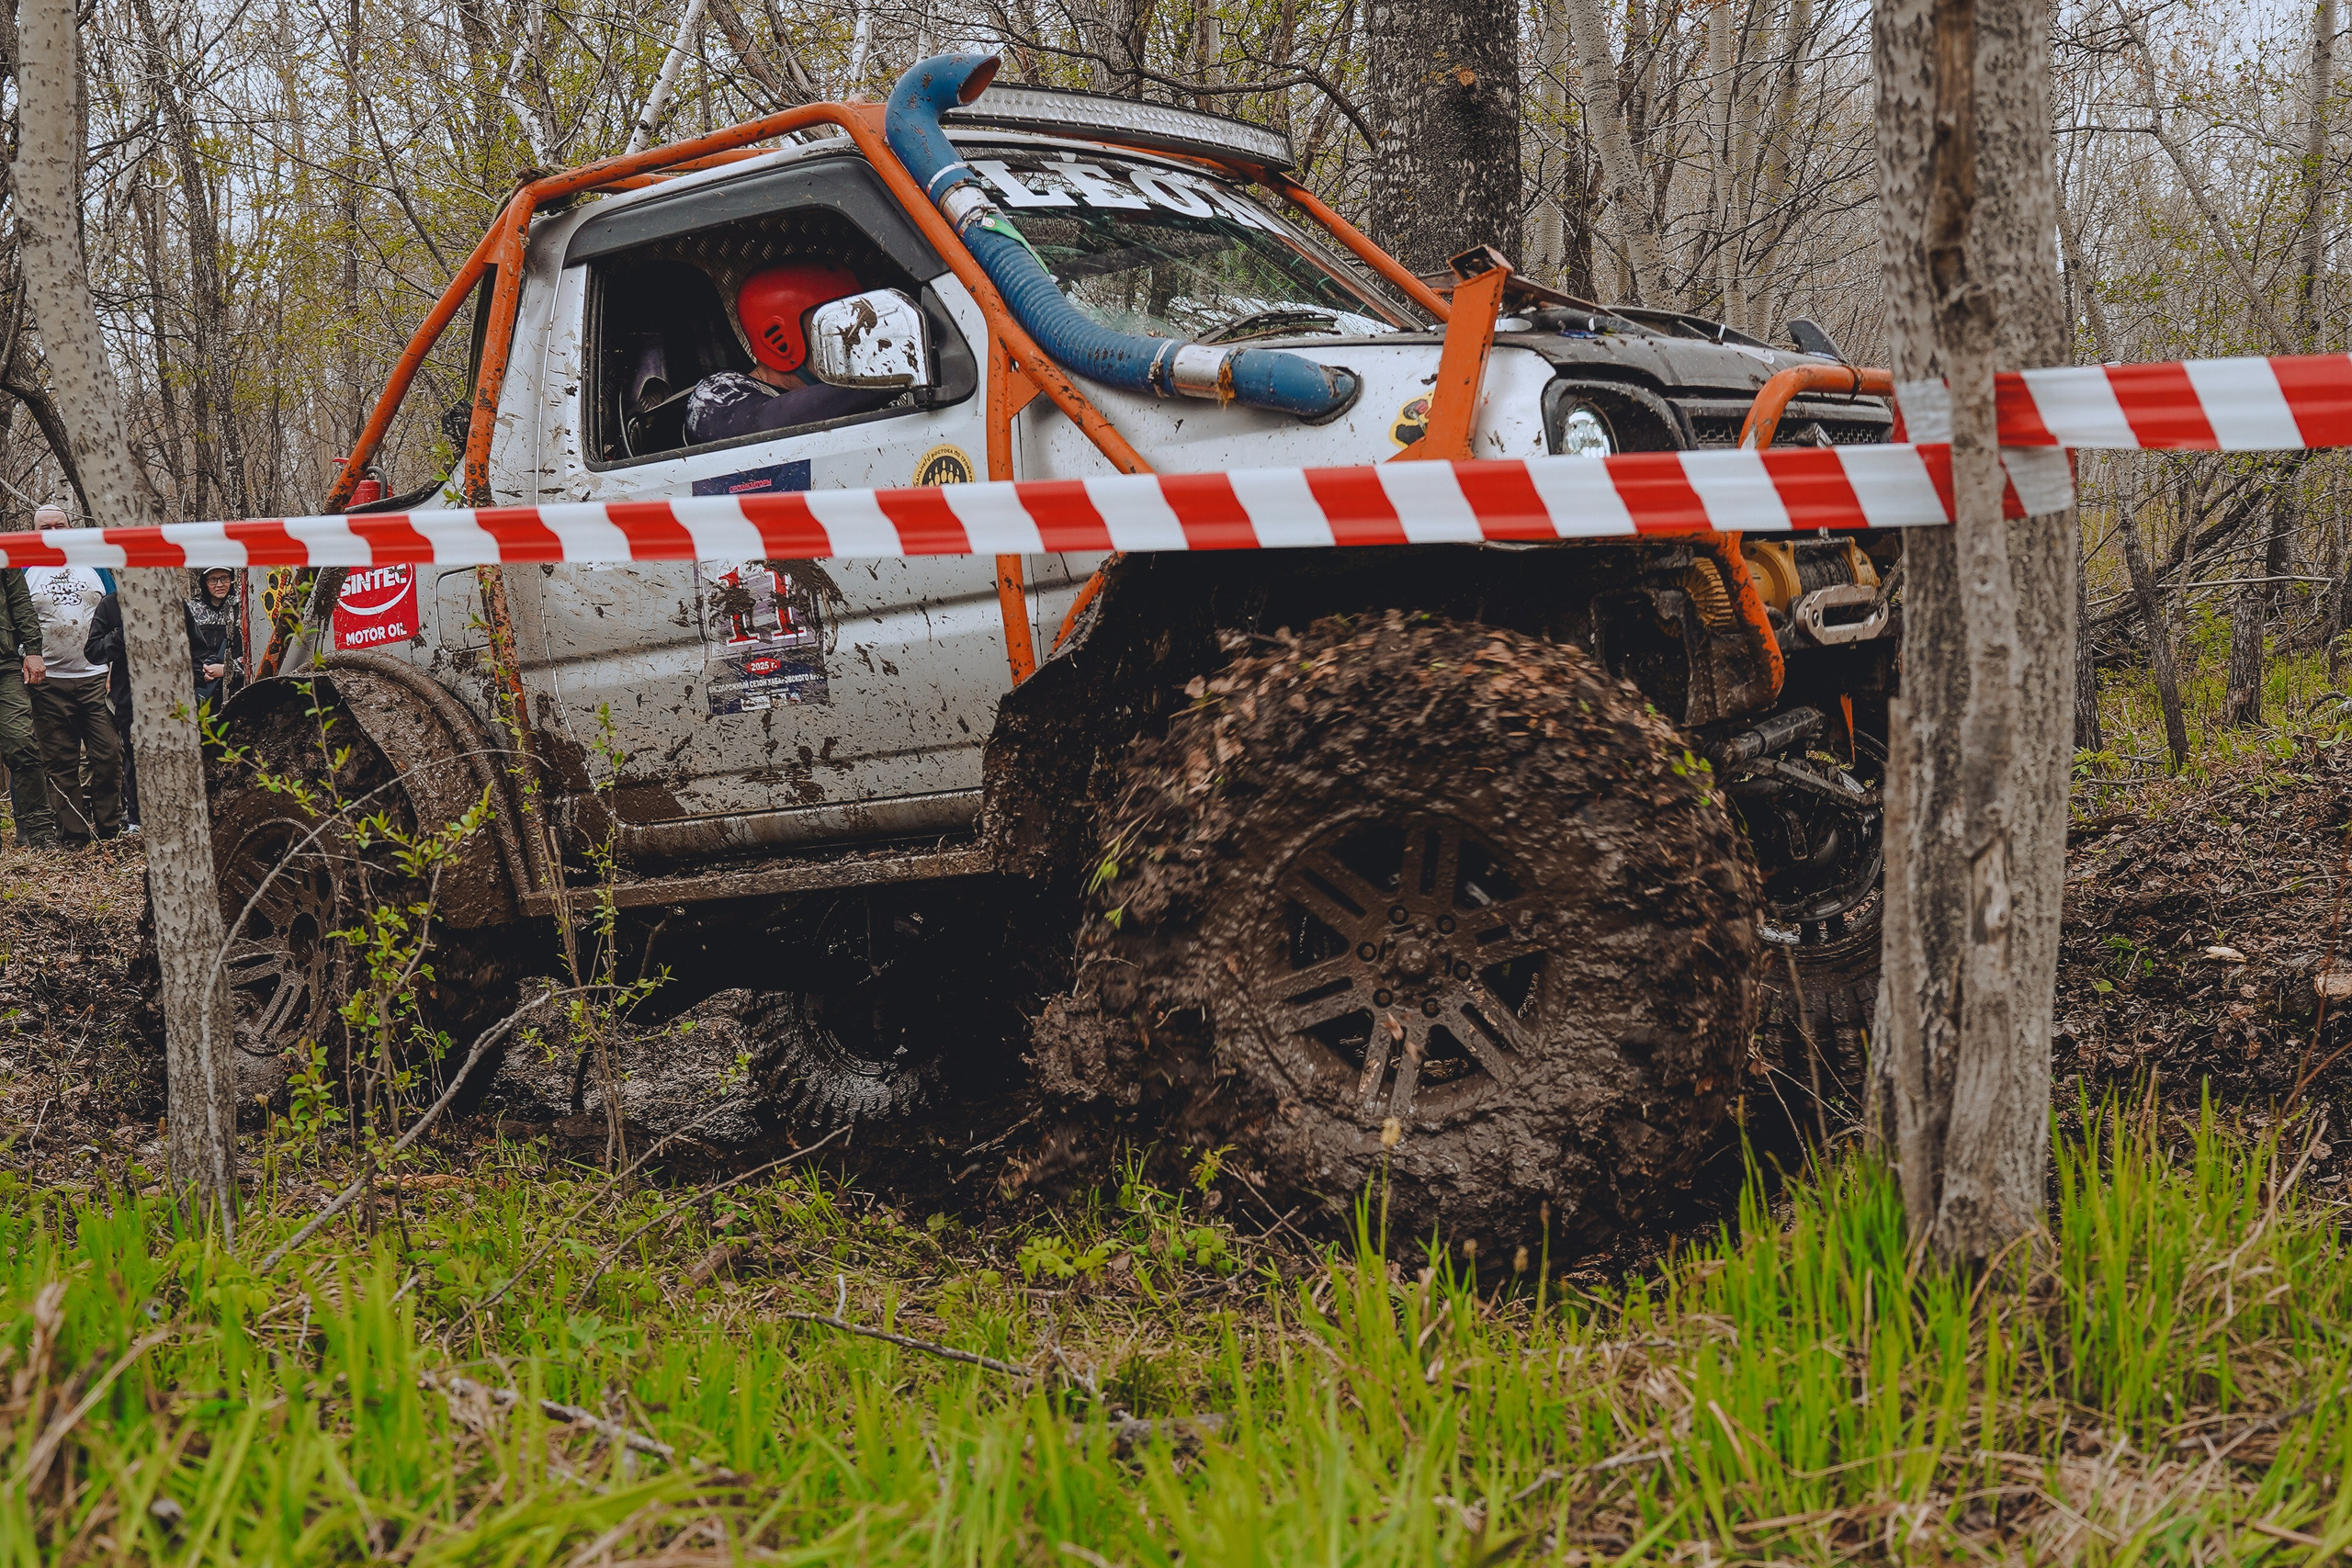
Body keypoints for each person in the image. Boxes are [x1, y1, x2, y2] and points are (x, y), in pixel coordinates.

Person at [683, 261, 899, 446]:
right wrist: (896, 370)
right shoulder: (716, 394)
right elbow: (765, 424)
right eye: (837, 323)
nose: (856, 336)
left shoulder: (847, 397)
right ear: (781, 340)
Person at [23, 510, 121, 846]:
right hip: (47, 680)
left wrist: (113, 666)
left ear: (70, 528)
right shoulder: (23, 567)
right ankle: (74, 835)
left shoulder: (94, 564)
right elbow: (16, 617)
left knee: (108, 753)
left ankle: (110, 829)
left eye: (59, 525)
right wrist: (26, 655)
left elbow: (115, 613)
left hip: (95, 676)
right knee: (60, 761)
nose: (53, 531)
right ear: (33, 532)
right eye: (45, 527)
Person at [0, 562, 59, 848]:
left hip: (5, 666)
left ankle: (38, 831)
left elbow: (20, 601)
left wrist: (33, 650)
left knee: (21, 742)